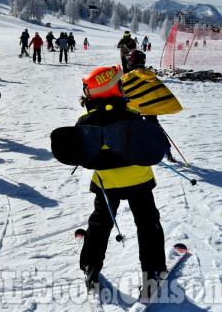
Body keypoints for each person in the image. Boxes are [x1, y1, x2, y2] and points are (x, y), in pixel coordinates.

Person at [76, 65, 166, 297]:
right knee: (148, 225)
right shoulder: (133, 115)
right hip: (140, 182)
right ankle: (153, 273)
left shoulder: (85, 121)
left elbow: (83, 153)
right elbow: (151, 145)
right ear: (114, 89)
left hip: (107, 185)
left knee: (100, 224)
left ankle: (91, 267)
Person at [122, 50, 181, 162]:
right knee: (155, 127)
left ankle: (141, 150)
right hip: (150, 109)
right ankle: (166, 150)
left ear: (132, 61)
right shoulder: (150, 74)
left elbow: (122, 91)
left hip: (135, 109)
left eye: (129, 59)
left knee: (136, 128)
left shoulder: (129, 76)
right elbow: (157, 91)